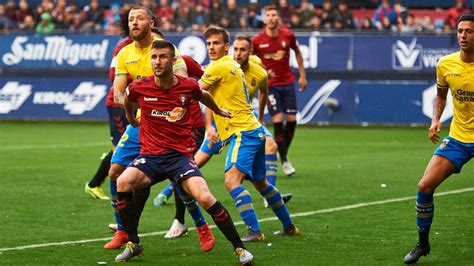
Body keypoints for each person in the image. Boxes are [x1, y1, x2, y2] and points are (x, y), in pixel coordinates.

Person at [115, 40, 253, 265]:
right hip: (150, 156)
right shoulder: (141, 86)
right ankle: (133, 243)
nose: (157, 61)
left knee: (206, 197)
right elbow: (127, 97)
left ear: (172, 60)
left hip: (180, 158)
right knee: (122, 182)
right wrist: (131, 118)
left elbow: (204, 95)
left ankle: (240, 248)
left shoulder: (187, 86)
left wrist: (218, 110)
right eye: (154, 57)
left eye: (162, 57)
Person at [108, 6, 215, 251]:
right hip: (141, 121)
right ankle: (123, 231)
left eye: (139, 18)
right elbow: (117, 94)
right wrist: (138, 104)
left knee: (180, 177)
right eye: (130, 19)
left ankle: (200, 226)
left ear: (152, 23)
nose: (133, 22)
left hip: (169, 123)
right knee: (114, 171)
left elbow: (184, 85)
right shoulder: (124, 53)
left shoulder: (168, 50)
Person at [199, 26, 299, 242]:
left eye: (216, 43)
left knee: (231, 182)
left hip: (241, 132)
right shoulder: (232, 65)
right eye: (208, 44)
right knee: (260, 183)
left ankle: (255, 231)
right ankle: (289, 226)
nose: (211, 47)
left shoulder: (218, 67)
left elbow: (194, 91)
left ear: (226, 46)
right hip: (252, 130)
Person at [403, 14, 474, 264]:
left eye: (469, 31)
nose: (464, 36)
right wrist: (436, 119)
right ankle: (423, 244)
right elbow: (441, 96)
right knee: (424, 186)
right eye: (460, 31)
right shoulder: (445, 64)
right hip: (459, 137)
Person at [84, 7, 133, 202]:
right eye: (132, 20)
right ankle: (95, 184)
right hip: (118, 104)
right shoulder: (123, 47)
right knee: (120, 149)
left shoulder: (150, 45)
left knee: (128, 148)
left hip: (134, 105)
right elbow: (114, 76)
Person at [252, 5, 307, 176]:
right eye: (268, 15)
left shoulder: (288, 35)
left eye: (273, 15)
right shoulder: (257, 40)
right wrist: (263, 69)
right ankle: (284, 160)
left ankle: (281, 152)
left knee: (292, 121)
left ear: (278, 18)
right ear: (264, 18)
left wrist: (302, 75)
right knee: (278, 119)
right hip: (271, 85)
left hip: (288, 82)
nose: (271, 18)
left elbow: (297, 52)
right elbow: (252, 60)